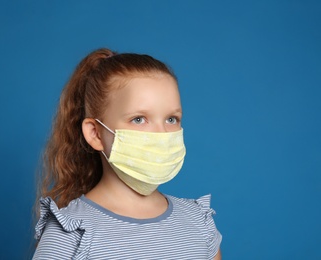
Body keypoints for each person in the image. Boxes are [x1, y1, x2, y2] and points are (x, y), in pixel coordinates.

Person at [33, 48, 222, 259]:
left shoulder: (198, 221)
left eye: (171, 119)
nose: (161, 134)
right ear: (95, 133)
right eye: (139, 119)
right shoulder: (69, 234)